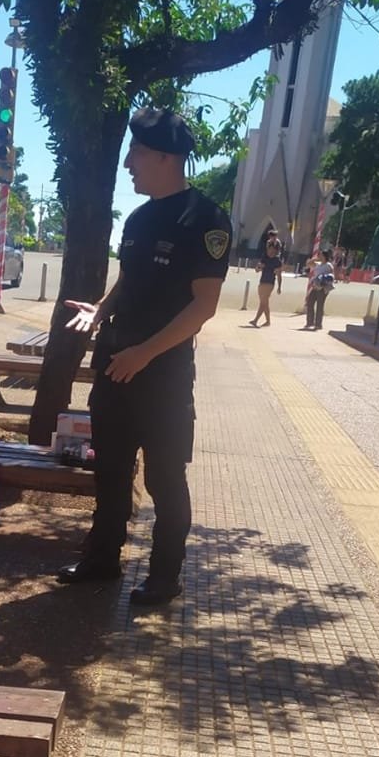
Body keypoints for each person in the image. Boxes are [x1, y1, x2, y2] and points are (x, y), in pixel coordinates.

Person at [58, 107, 230, 605]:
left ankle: (164, 576)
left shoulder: (205, 220)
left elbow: (205, 305)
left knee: (164, 478)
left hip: (164, 376)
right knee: (109, 469)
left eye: (135, 152)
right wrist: (102, 309)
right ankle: (102, 558)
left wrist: (145, 354)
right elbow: (131, 278)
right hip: (117, 365)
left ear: (161, 155)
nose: (129, 161)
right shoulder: (136, 218)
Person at [250, 229, 283, 327]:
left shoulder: (277, 260)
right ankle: (268, 321)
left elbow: (279, 274)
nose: (270, 250)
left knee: (263, 302)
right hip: (262, 281)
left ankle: (255, 320)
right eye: (269, 249)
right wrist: (259, 266)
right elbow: (257, 270)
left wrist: (279, 286)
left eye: (272, 249)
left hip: (270, 282)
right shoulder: (265, 257)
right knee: (264, 302)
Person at [305, 249, 335, 330]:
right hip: (315, 286)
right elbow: (308, 263)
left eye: (321, 255)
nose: (320, 256)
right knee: (310, 303)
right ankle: (309, 322)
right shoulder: (318, 264)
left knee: (320, 305)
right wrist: (315, 259)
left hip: (323, 287)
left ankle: (318, 324)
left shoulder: (328, 265)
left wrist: (324, 280)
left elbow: (332, 276)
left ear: (325, 256)